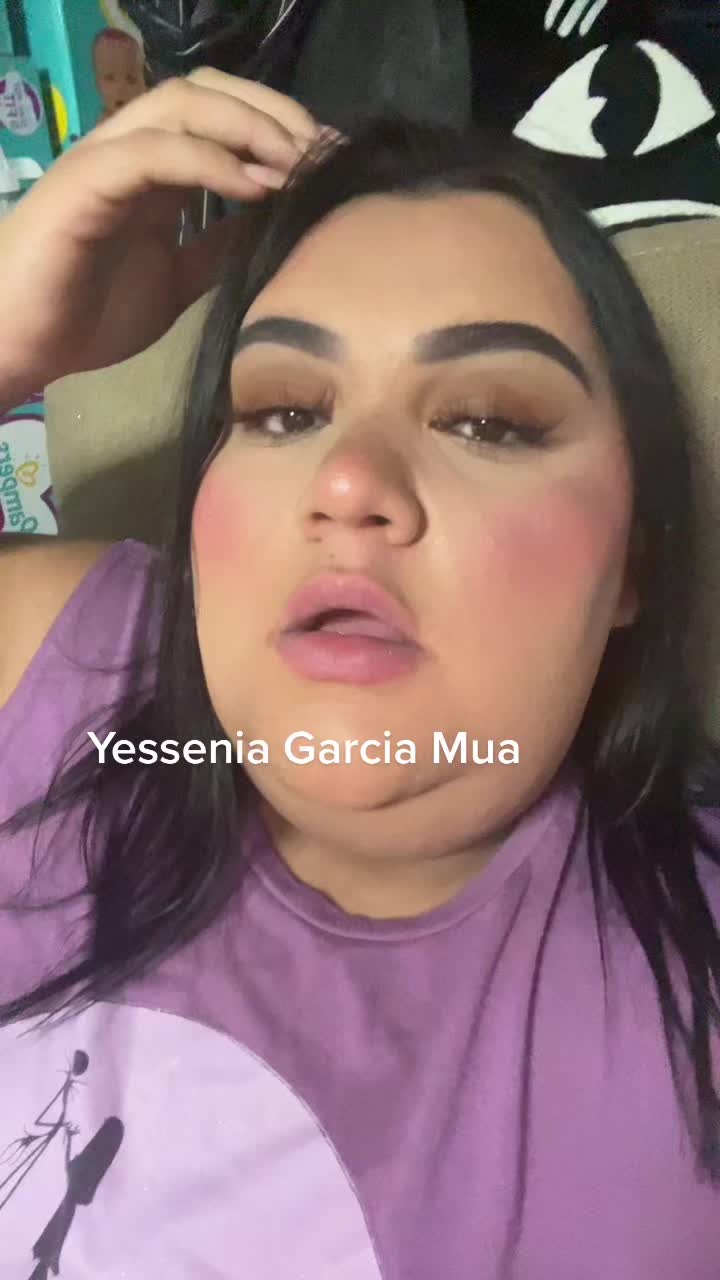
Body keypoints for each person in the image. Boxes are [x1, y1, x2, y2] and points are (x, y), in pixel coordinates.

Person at [0, 67, 719, 1279]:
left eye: (487, 420)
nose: (347, 481)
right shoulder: (67, 661)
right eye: (284, 410)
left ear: (633, 564)